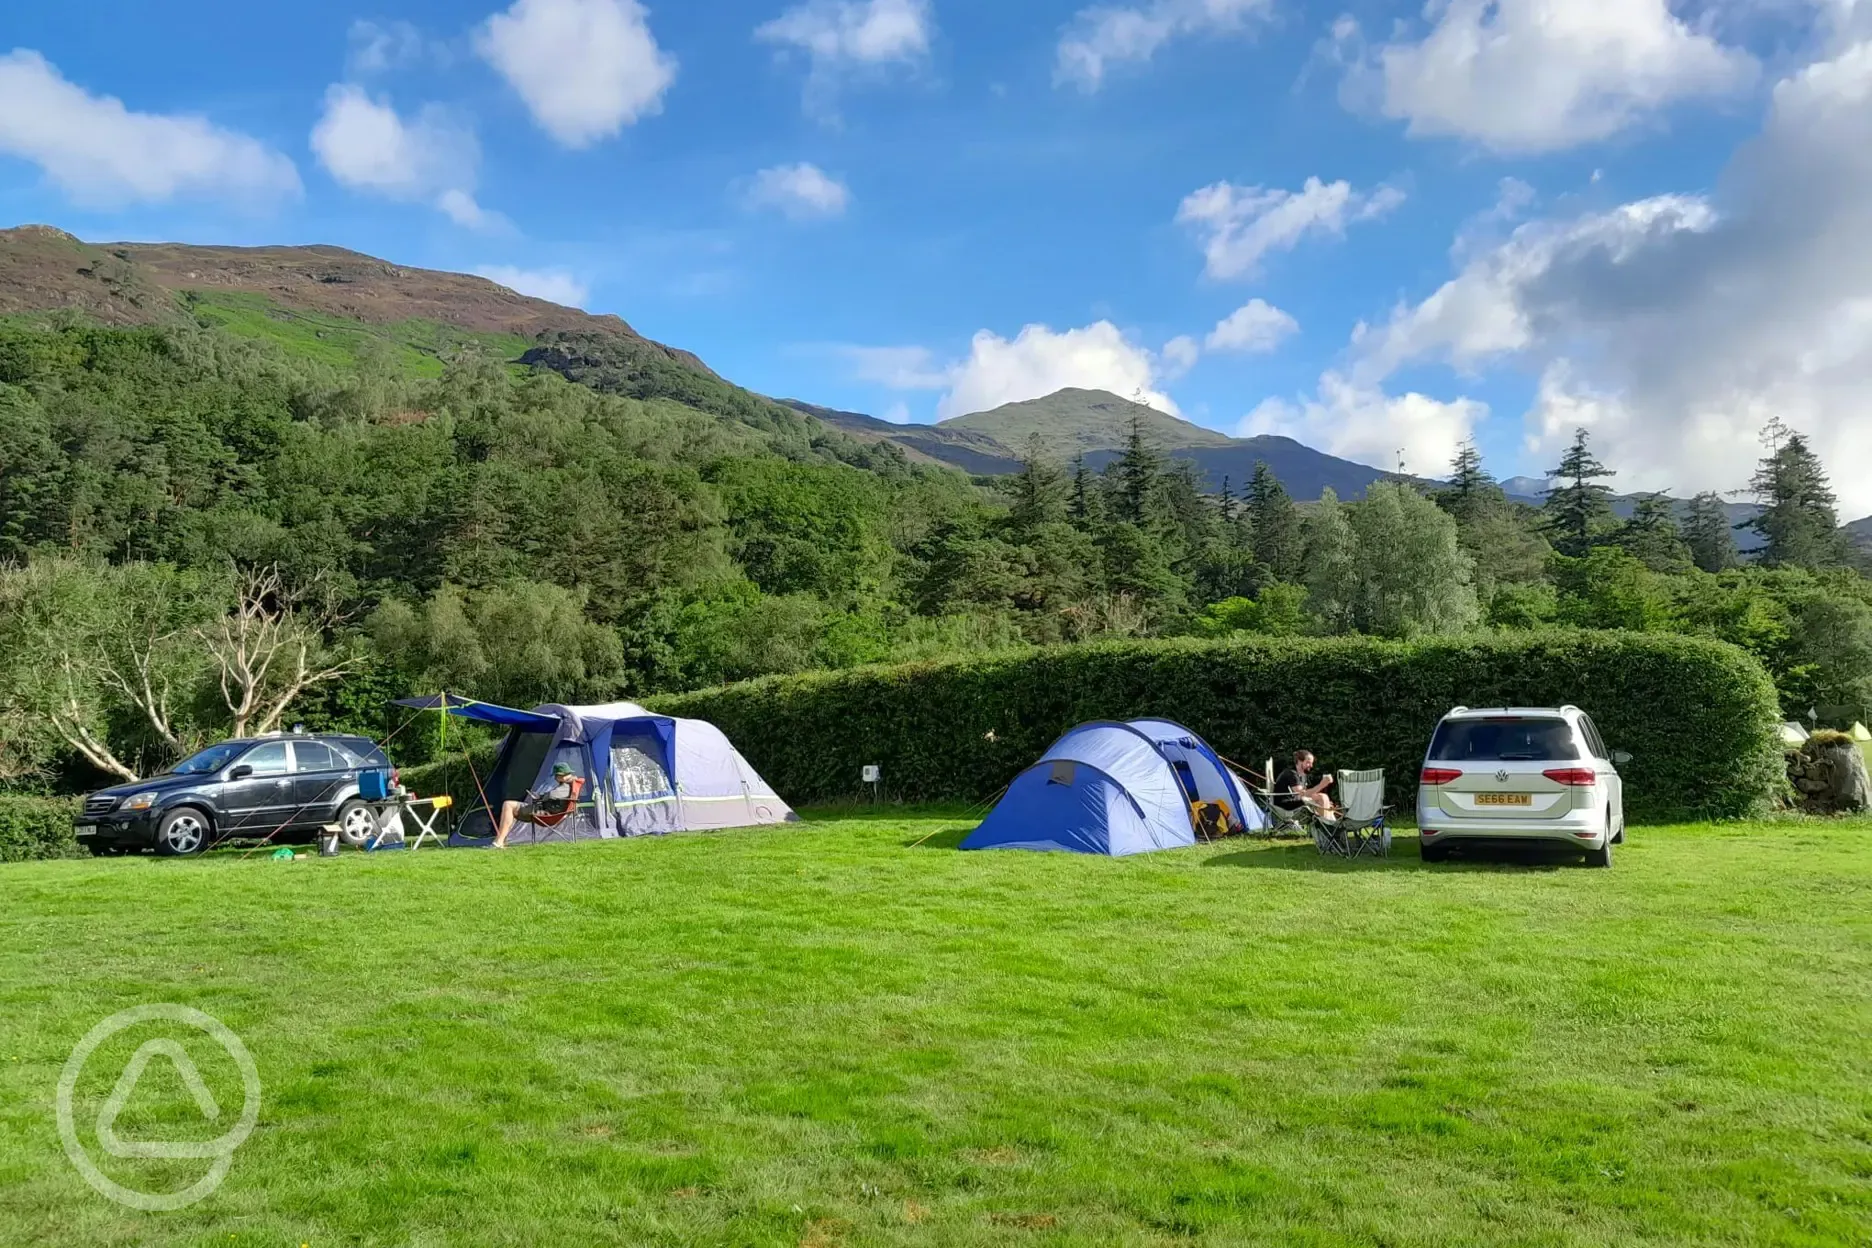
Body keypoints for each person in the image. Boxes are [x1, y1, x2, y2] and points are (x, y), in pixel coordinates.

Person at [493, 763, 578, 849]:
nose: (555, 778)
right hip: (547, 811)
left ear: (560, 776)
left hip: (545, 813)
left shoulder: (566, 786)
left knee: (508, 804)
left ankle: (499, 841)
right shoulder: (571, 784)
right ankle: (500, 841)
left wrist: (540, 797)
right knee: (510, 808)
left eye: (556, 776)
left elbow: (552, 795)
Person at [1273, 749, 1337, 822]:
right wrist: (1321, 785)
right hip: (1285, 804)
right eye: (1308, 763)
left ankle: (1331, 826)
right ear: (1300, 761)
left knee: (1325, 799)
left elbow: (1305, 794)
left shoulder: (1302, 775)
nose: (1311, 766)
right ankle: (1325, 826)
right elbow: (1302, 794)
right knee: (1322, 797)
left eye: (1311, 763)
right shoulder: (1291, 774)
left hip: (1295, 801)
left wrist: (1326, 802)